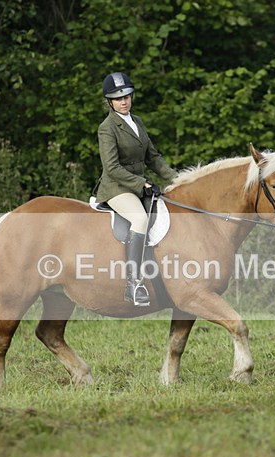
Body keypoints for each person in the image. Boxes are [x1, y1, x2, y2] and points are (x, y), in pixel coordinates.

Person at [96, 72, 178, 306]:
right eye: (118, 98)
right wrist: (142, 183)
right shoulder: (107, 128)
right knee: (140, 219)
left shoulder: (137, 121)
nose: (123, 101)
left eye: (126, 96)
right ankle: (133, 284)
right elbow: (111, 168)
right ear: (110, 102)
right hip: (117, 187)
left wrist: (177, 179)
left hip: (137, 185)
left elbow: (153, 157)